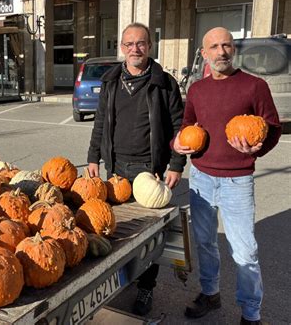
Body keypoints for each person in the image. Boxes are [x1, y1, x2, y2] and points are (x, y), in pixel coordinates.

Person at [173, 27, 281, 325]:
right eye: (214, 47)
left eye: (227, 45)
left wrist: (259, 147)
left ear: (234, 50)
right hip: (201, 180)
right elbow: (186, 126)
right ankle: (210, 293)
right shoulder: (196, 89)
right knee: (205, 243)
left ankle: (251, 313)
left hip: (237, 181)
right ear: (204, 53)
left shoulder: (254, 86)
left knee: (245, 250)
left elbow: (272, 127)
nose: (221, 52)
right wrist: (177, 144)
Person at [87, 22, 186, 316]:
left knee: (149, 236)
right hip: (115, 168)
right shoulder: (111, 82)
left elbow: (180, 127)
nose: (135, 49)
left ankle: (146, 287)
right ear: (121, 48)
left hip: (150, 170)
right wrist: (93, 157)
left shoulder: (164, 83)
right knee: (114, 229)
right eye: (129, 44)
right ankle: (119, 278)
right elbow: (100, 123)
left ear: (149, 47)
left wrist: (176, 164)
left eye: (140, 43)